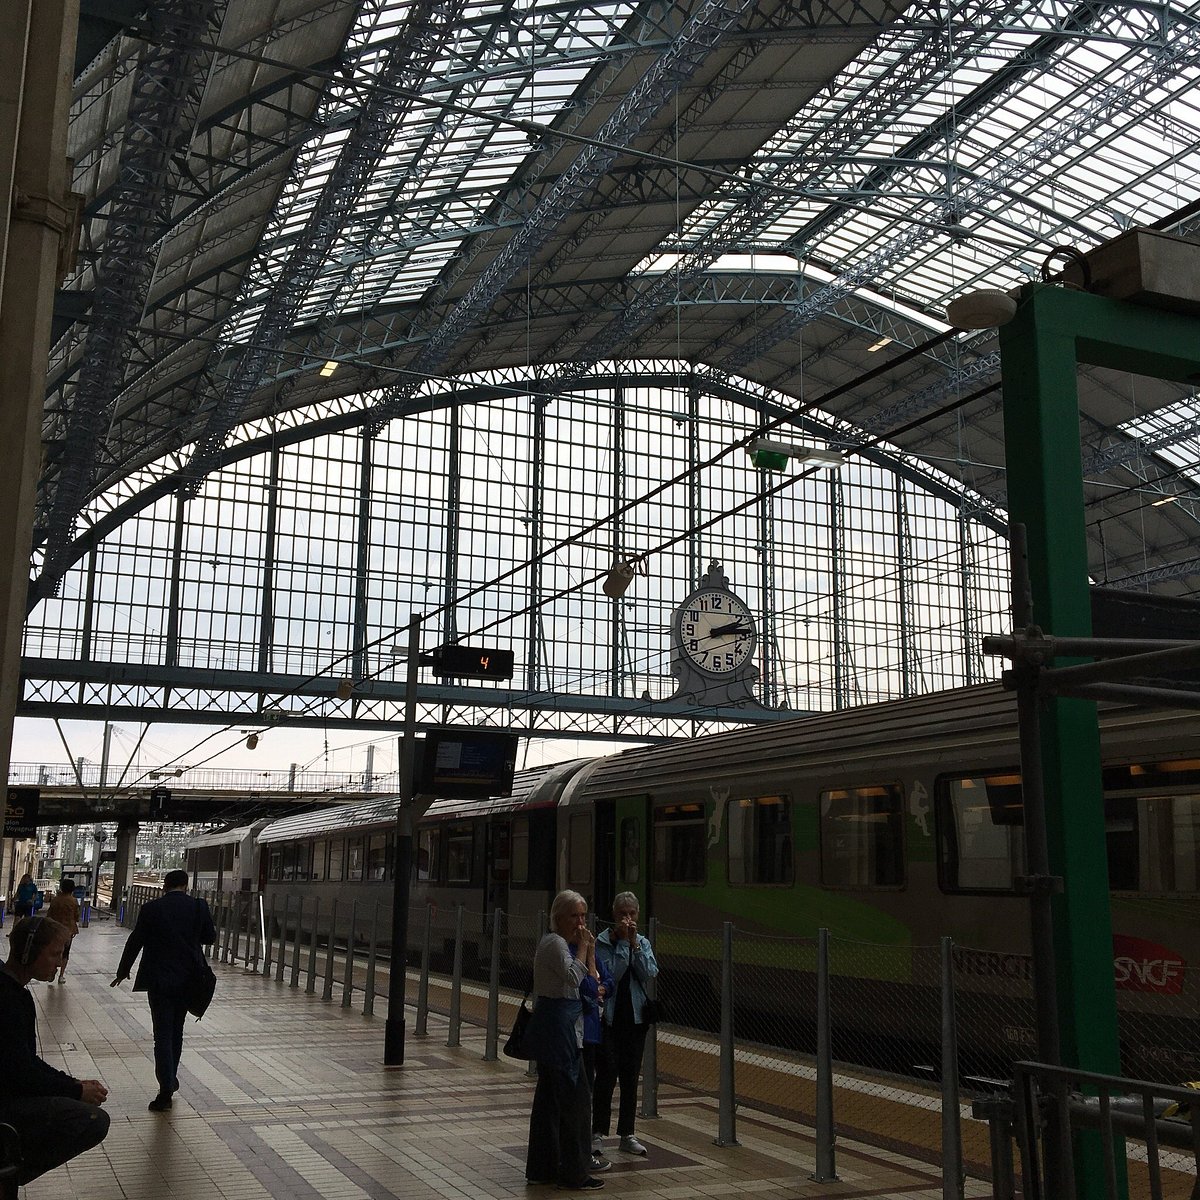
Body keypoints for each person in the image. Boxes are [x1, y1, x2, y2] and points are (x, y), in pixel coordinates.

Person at [0, 916, 110, 1200]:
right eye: (54, 953)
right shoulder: (9, 999)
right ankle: (8, 1171)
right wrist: (74, 1090)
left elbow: (23, 1061)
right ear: (28, 952)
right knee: (91, 1119)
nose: (59, 962)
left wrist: (73, 1085)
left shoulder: (11, 990)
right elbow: (21, 1072)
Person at [111, 869, 215, 1112]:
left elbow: (135, 940)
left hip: (159, 980)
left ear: (165, 886)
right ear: (186, 886)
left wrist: (123, 970)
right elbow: (209, 937)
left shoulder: (152, 909)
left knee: (162, 1035)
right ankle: (170, 1079)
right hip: (188, 979)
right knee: (176, 1032)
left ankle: (166, 1087)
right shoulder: (199, 907)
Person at [523, 890, 604, 1191]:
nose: (580, 922)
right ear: (558, 917)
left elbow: (590, 985)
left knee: (551, 1101)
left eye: (583, 915)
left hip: (567, 1029)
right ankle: (575, 1171)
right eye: (574, 916)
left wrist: (591, 953)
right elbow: (572, 977)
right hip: (559, 1031)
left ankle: (544, 1166)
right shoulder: (554, 943)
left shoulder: (566, 945)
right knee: (576, 1101)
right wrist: (583, 948)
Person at [592, 891, 659, 1159]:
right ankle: (597, 1133)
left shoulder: (641, 942)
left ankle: (627, 1134)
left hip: (635, 1020)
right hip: (608, 1019)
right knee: (606, 1075)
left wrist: (635, 945)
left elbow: (649, 972)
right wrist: (622, 945)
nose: (627, 918)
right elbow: (612, 976)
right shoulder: (602, 943)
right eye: (622, 913)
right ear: (614, 914)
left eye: (632, 913)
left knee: (631, 1077)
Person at [45, 878, 80, 984]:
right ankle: (61, 975)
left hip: (55, 929)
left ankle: (51, 974)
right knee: (65, 953)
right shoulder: (73, 901)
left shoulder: (55, 900)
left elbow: (49, 914)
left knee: (54, 951)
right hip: (68, 930)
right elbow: (77, 916)